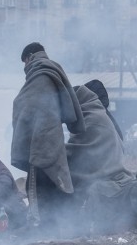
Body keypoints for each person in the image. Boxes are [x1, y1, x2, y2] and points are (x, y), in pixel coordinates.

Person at [68, 85, 137, 231]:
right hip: (110, 173)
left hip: (110, 175)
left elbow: (77, 153)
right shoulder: (95, 115)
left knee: (78, 190)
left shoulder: (92, 120)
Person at [10, 42, 85, 231]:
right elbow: (70, 104)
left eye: (24, 62)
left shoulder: (39, 74)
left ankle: (42, 227)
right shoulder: (53, 69)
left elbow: (23, 104)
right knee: (55, 181)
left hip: (40, 141)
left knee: (38, 185)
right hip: (54, 138)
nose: (24, 67)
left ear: (29, 57)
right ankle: (61, 227)